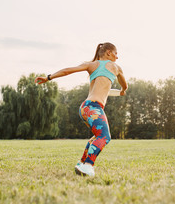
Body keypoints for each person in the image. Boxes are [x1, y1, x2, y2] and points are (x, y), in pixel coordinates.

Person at [35, 42, 128, 177]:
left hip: (85, 107)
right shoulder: (115, 67)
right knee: (104, 136)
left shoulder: (91, 65)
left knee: (97, 136)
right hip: (94, 107)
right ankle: (88, 165)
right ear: (108, 52)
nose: (117, 57)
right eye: (116, 53)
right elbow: (124, 84)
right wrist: (123, 90)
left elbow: (68, 70)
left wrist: (48, 77)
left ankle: (81, 163)